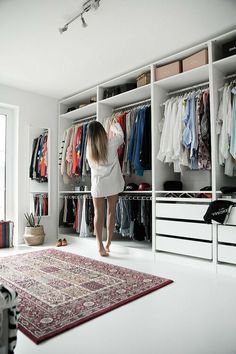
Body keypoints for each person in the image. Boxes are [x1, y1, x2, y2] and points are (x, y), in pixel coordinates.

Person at [86, 120, 125, 256]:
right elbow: (121, 136)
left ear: (90, 136)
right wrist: (114, 125)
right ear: (102, 132)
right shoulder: (111, 143)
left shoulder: (89, 151)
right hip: (113, 183)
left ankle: (100, 246)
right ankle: (108, 242)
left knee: (98, 214)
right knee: (111, 212)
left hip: (98, 185)